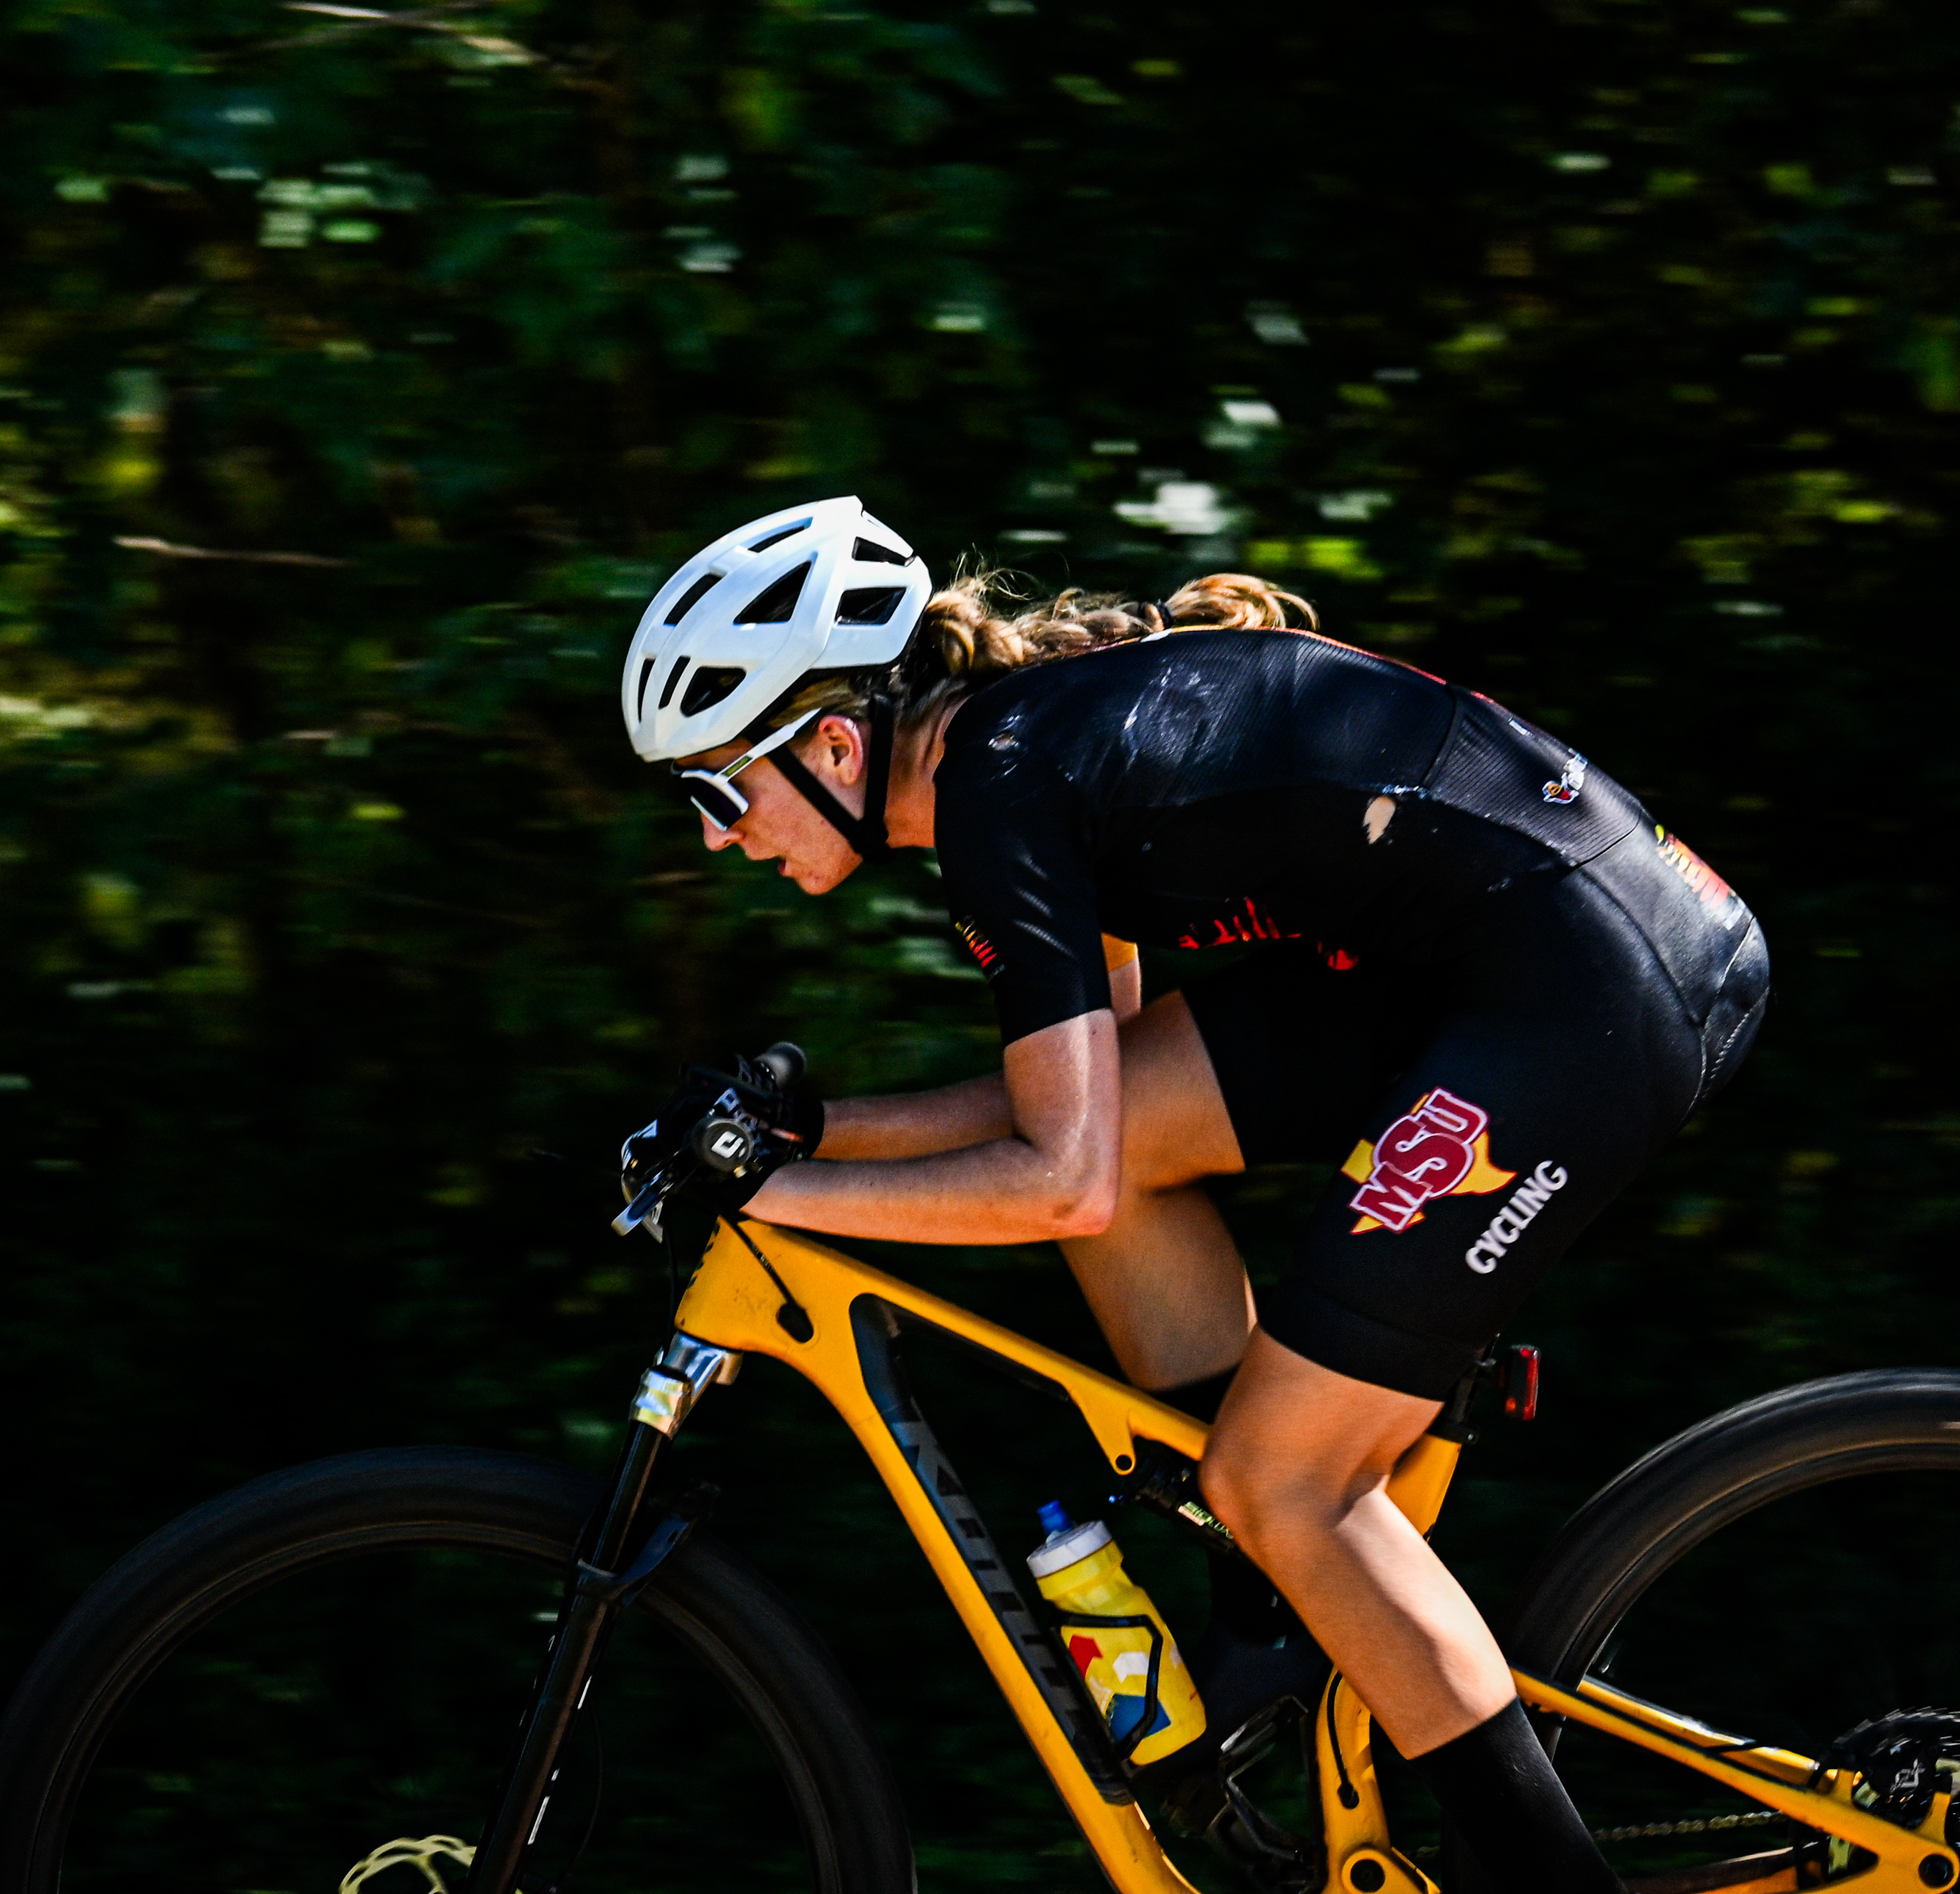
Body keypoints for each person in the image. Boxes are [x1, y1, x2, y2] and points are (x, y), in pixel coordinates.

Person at [618, 496, 1772, 1894]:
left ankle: (1317, 1584)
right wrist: (809, 1129)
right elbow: (1096, 1123)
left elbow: (1055, 1181)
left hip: (1578, 989)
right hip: (1489, 964)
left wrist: (786, 1195)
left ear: (836, 745)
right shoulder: (1021, 753)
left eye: (719, 790)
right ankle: (1273, 1613)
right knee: (1156, 1204)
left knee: (1286, 1481)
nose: (715, 839)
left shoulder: (999, 792)